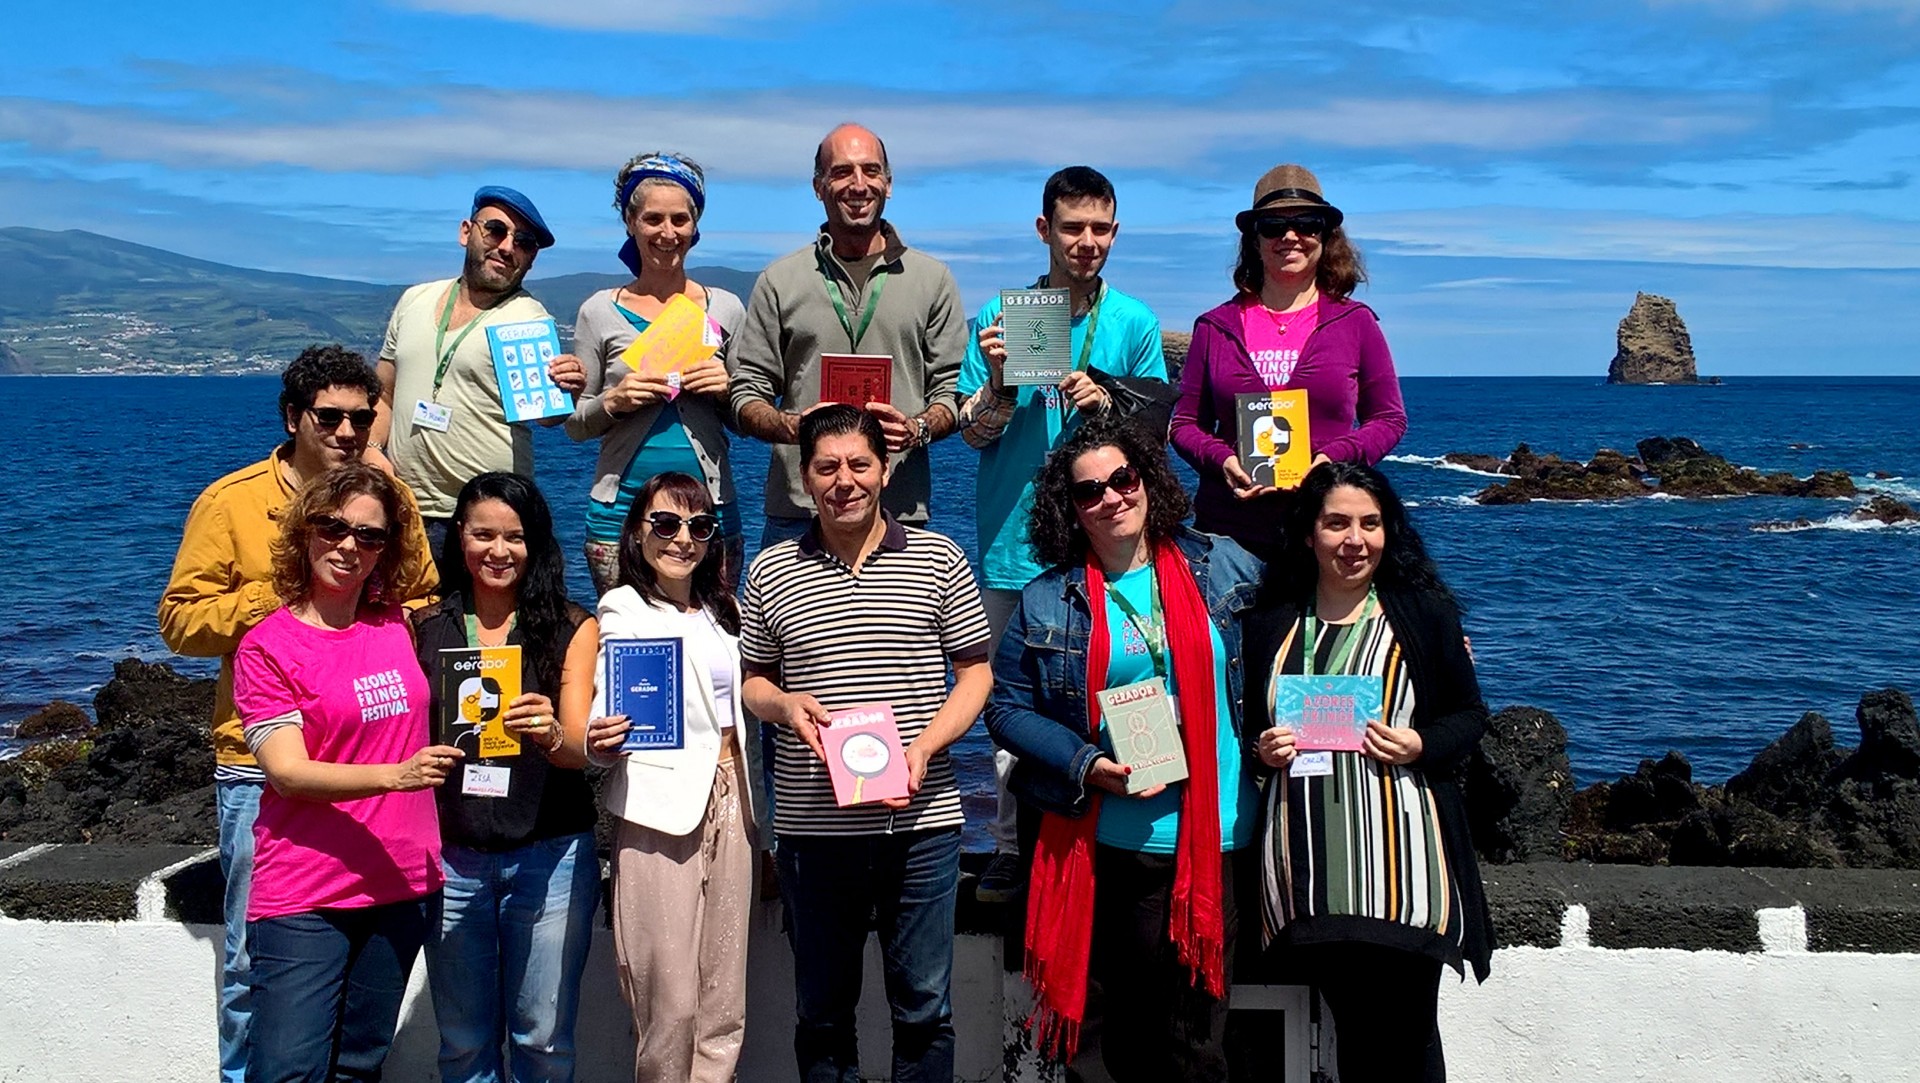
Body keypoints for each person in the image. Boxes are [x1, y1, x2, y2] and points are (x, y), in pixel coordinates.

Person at [157, 344, 436, 1083]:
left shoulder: (390, 496)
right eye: (330, 416)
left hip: (374, 767)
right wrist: (283, 599)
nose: (349, 430)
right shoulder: (232, 501)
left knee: (357, 1020)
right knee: (256, 972)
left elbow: (426, 597)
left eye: (362, 415)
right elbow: (179, 621)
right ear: (293, 417)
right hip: (261, 766)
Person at [983, 416, 1263, 1081]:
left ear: (1147, 481)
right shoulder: (1050, 598)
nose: (1110, 497)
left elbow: (1307, 620)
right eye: (1089, 491)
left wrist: (1425, 632)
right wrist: (1086, 763)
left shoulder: (1222, 562)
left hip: (1215, 845)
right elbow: (1004, 706)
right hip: (1107, 847)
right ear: (1070, 509)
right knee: (1111, 1050)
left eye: (1122, 479)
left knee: (1195, 1049)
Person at [739, 404, 992, 1082]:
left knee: (924, 1011)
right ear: (805, 476)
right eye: (826, 466)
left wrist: (926, 745)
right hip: (813, 829)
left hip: (923, 821)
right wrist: (784, 704)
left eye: (859, 464)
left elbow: (975, 673)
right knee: (821, 1014)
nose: (842, 480)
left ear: (884, 471)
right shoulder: (769, 570)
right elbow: (752, 683)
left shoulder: (939, 558)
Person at [959, 165, 1169, 905]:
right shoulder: (1001, 312)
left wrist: (1105, 398)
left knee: (1119, 686)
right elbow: (974, 434)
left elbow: (1152, 440)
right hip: (1016, 547)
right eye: (1072, 227)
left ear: (1115, 232)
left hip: (1106, 540)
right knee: (1011, 705)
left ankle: (1127, 832)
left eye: (1100, 228)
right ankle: (1012, 848)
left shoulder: (1135, 322)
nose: (1086, 242)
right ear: (1044, 230)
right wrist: (1000, 385)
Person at [1242, 462, 1492, 1082]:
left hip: (1404, 873)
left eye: (1370, 523)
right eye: (1337, 524)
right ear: (1309, 534)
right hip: (1309, 878)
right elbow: (1243, 733)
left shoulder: (1422, 616)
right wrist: (1262, 750)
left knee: (1408, 1036)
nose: (1355, 539)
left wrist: (1419, 743)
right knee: (1356, 1036)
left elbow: (1469, 716)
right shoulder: (1272, 623)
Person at [232, 462, 463, 1083]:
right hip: (307, 893)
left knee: (360, 1066)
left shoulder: (399, 625)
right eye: (333, 527)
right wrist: (397, 775)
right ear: (305, 532)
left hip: (402, 883)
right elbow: (287, 772)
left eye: (370, 535)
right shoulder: (268, 647)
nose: (349, 546)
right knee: (287, 1071)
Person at [410, 473, 600, 1083]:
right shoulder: (422, 627)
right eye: (483, 534)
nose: (499, 551)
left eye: (515, 537)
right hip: (452, 854)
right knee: (463, 1043)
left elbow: (578, 752)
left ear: (536, 543)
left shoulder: (572, 626)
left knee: (542, 1039)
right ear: (458, 537)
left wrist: (548, 731)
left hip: (552, 852)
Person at [578, 471, 765, 1083]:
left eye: (699, 526)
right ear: (637, 532)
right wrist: (600, 741)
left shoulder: (727, 608)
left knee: (724, 992)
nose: (682, 538)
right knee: (669, 997)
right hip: (661, 805)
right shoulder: (623, 607)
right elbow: (613, 697)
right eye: (665, 523)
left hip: (736, 795)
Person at [729, 123, 968, 550]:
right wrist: (792, 427)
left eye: (871, 171)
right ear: (818, 186)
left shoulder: (933, 280)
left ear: (888, 184)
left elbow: (953, 393)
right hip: (798, 512)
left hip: (901, 512)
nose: (858, 185)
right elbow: (746, 393)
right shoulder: (780, 280)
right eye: (842, 172)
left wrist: (917, 429)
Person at [1169, 163, 1407, 564]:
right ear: (1254, 239)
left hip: (1325, 537)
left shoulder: (1356, 323)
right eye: (1273, 225)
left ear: (1325, 236)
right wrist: (1223, 460)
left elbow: (1389, 418)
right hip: (1229, 538)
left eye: (1308, 224)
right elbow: (1184, 424)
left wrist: (1332, 459)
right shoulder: (1214, 326)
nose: (1290, 236)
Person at [567, 153, 749, 594]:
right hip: (619, 514)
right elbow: (574, 425)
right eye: (653, 219)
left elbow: (746, 416)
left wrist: (727, 391)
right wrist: (614, 401)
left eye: (679, 220)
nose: (667, 234)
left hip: (710, 516)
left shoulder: (725, 307)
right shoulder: (597, 311)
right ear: (631, 222)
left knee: (714, 640)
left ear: (695, 225)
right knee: (626, 643)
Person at [371, 185, 589, 544]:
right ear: (466, 232)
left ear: (532, 258)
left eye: (524, 241)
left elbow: (547, 415)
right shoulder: (414, 300)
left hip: (486, 521)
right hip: (403, 508)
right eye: (496, 230)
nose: (507, 246)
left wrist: (570, 389)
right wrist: (373, 454)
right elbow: (384, 394)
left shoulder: (528, 320)